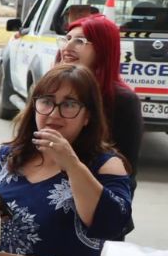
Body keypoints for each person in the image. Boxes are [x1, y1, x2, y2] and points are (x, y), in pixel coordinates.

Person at [0, 63, 133, 256]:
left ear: (88, 116)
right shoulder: (5, 156)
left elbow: (112, 225)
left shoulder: (106, 165)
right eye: (46, 101)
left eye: (69, 104)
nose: (54, 114)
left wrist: (72, 165)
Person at [54, 13, 144, 178]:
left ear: (103, 48)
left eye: (79, 41)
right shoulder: (51, 89)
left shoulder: (123, 100)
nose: (67, 47)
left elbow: (126, 172)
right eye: (67, 39)